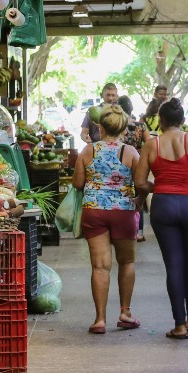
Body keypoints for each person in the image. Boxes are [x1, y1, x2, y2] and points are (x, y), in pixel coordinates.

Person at [133, 98, 188, 339]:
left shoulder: (151, 145)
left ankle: (179, 325)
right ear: (182, 120)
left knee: (173, 265)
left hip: (163, 207)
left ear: (161, 121)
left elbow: (139, 182)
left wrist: (161, 186)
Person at [70, 105, 140, 334]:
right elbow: (140, 183)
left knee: (100, 266)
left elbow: (78, 184)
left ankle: (100, 319)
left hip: (94, 211)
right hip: (124, 211)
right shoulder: (130, 152)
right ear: (123, 129)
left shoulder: (88, 151)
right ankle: (125, 312)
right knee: (127, 262)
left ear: (100, 127)